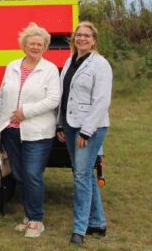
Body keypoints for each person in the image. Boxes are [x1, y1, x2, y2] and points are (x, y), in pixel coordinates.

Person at [0, 22, 60, 238]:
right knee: (20, 175)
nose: (35, 47)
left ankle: (36, 220)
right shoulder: (12, 66)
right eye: (31, 43)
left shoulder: (49, 69)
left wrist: (26, 112)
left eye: (40, 44)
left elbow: (53, 99)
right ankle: (28, 216)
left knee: (32, 174)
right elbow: (1, 96)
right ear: (24, 45)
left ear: (45, 47)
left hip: (37, 133)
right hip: (11, 131)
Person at [56, 21, 112, 246]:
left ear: (94, 40)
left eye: (87, 35)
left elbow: (101, 101)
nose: (82, 38)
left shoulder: (100, 64)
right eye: (78, 35)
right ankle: (97, 222)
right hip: (70, 126)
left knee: (80, 176)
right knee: (86, 175)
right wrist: (60, 124)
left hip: (90, 128)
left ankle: (79, 229)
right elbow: (64, 96)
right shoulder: (70, 61)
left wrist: (86, 132)